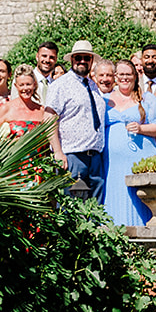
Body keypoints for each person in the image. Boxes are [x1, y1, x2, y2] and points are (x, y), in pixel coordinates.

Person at [101, 59, 156, 227]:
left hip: (138, 162)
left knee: (137, 199)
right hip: (111, 164)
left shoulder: (147, 99)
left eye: (128, 74)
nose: (125, 78)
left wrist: (141, 129)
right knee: (113, 195)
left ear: (135, 76)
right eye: (121, 74)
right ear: (116, 77)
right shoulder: (104, 99)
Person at [44, 40, 107, 199]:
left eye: (86, 58)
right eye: (78, 57)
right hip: (73, 156)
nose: (82, 61)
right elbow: (49, 118)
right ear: (72, 60)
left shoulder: (94, 86)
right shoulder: (60, 85)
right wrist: (58, 152)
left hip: (96, 157)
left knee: (96, 210)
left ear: (91, 61)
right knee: (73, 207)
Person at [0, 66, 64, 164]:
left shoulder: (42, 111)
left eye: (28, 84)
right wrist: (7, 144)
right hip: (13, 168)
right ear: (16, 86)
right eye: (21, 85)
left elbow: (51, 137)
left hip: (39, 168)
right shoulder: (6, 109)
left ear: (34, 85)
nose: (25, 88)